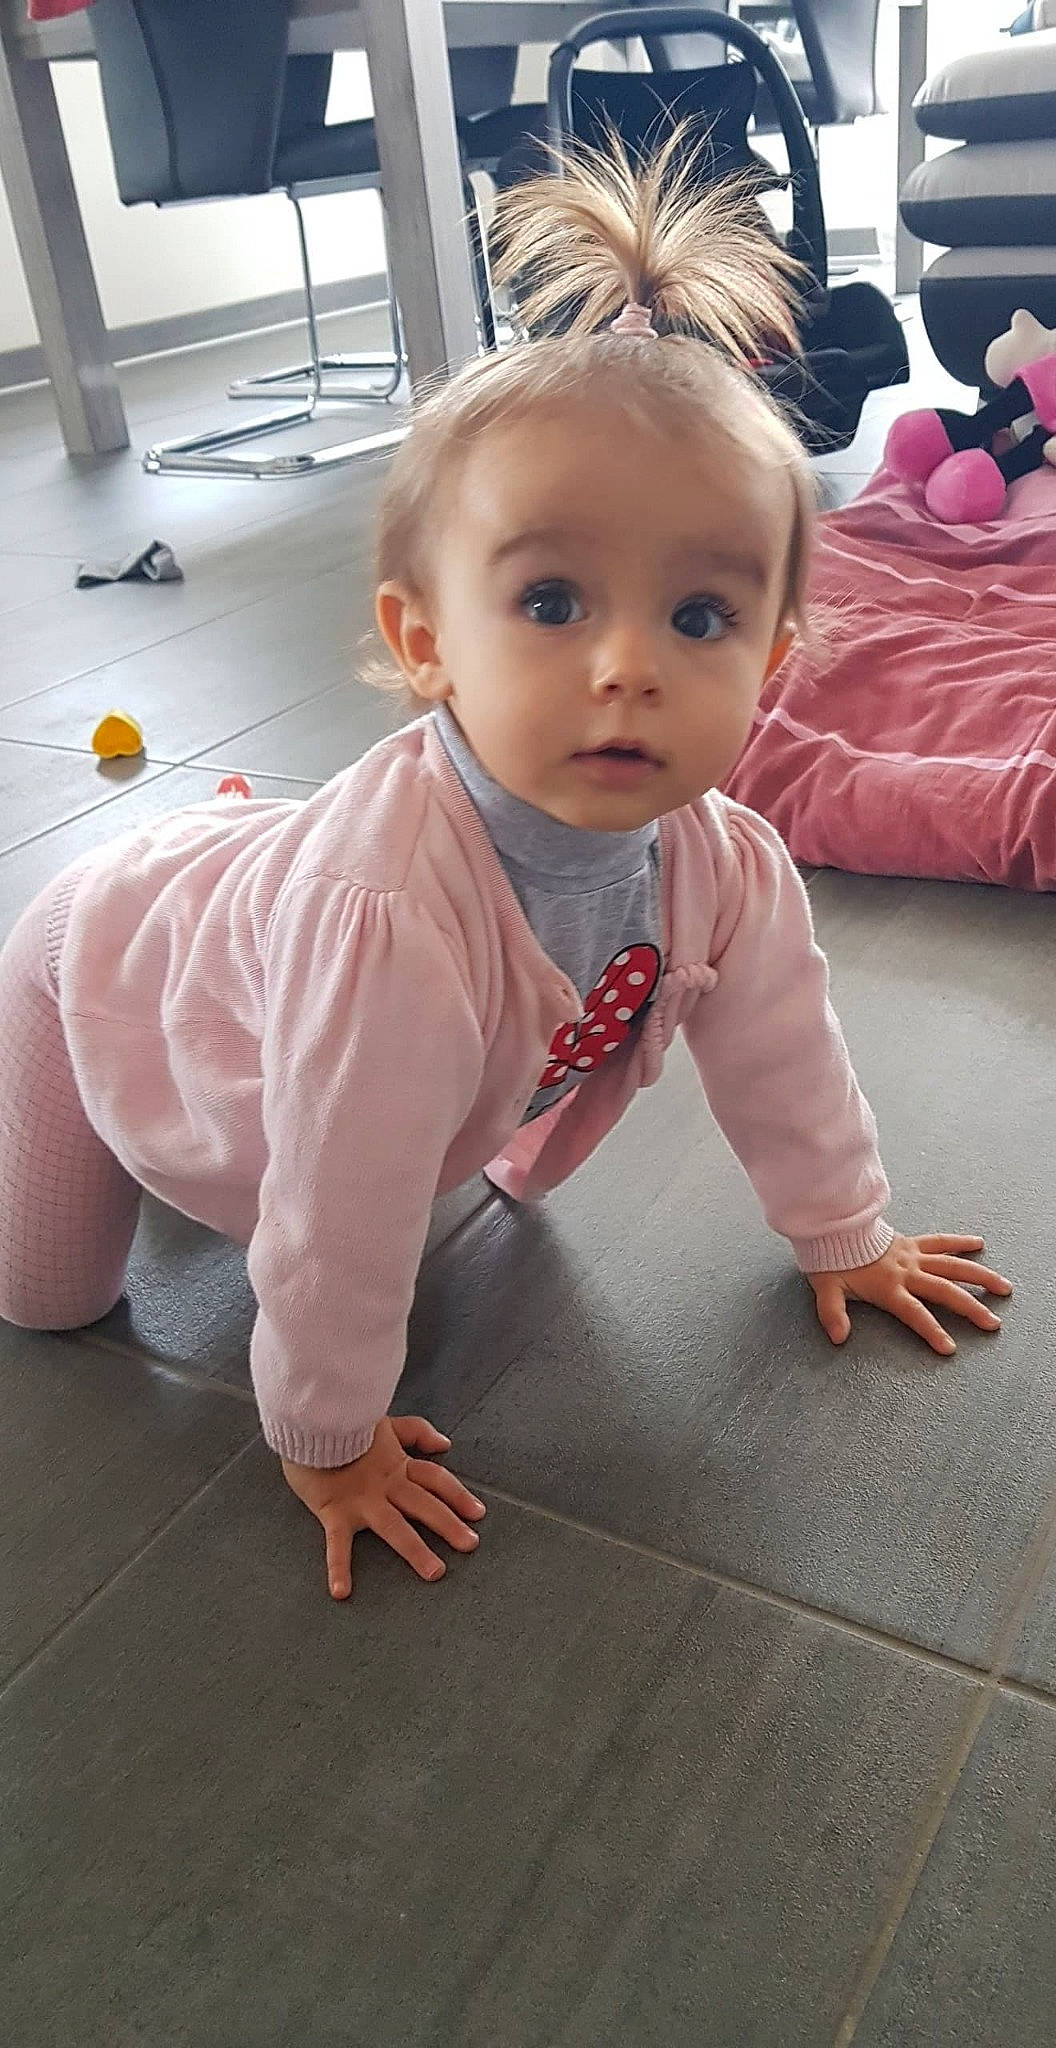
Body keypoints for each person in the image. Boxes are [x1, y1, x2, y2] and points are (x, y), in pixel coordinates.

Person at [0, 134, 1011, 1599]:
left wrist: (843, 1232)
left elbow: (787, 1053)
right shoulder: (389, 917)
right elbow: (342, 1222)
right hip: (88, 964)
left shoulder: (726, 864)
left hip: (274, 961)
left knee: (345, 1108)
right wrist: (329, 1434)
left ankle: (225, 1052)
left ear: (778, 659)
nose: (626, 669)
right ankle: (158, 1083)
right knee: (51, 1304)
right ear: (424, 644)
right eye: (551, 600)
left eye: (703, 618)